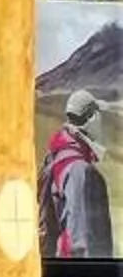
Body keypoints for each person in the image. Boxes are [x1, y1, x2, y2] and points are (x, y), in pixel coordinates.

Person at [44, 90, 113, 261]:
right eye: (99, 115)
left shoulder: (58, 156)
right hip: (86, 275)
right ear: (93, 117)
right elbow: (81, 244)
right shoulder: (80, 171)